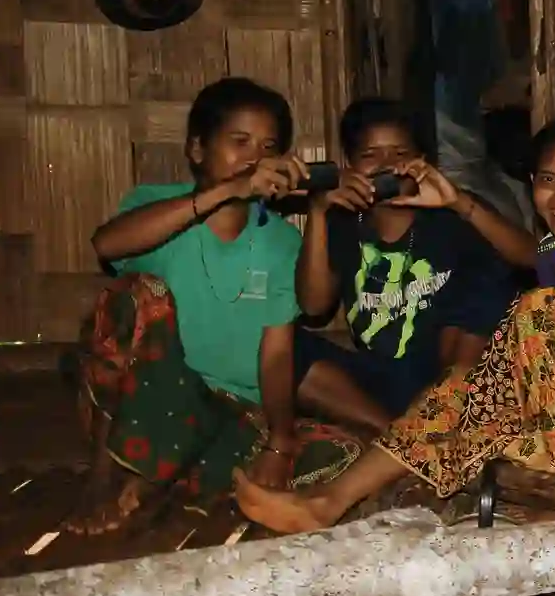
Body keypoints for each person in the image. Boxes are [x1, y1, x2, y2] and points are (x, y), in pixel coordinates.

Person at [233, 116, 555, 534]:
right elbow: (527, 253)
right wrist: (456, 202)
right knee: (462, 390)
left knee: (534, 312)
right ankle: (327, 503)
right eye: (548, 180)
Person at [69, 78, 361, 534]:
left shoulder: (281, 241)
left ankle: (165, 474)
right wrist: (227, 191)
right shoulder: (156, 207)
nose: (254, 158)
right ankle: (106, 476)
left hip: (229, 410)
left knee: (342, 454)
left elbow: (277, 353)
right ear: (197, 149)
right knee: (142, 293)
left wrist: (279, 442)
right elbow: (106, 245)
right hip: (148, 405)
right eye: (239, 142)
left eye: (268, 147)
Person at [293, 98, 527, 429]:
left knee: (490, 283)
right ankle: (398, 437)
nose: (387, 166)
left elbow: (533, 259)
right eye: (370, 155)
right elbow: (313, 306)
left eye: (400, 153)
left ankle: (434, 425)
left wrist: (458, 201)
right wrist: (317, 211)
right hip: (376, 380)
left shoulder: (450, 216)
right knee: (288, 348)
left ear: (422, 161)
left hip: (446, 378)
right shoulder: (343, 221)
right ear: (350, 164)